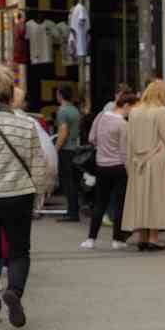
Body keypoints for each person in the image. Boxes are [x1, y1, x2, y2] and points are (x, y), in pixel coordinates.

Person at [0, 64, 47, 327]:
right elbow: (38, 164)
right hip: (19, 195)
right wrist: (39, 196)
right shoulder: (26, 125)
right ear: (11, 95)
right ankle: (15, 291)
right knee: (19, 251)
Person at [122, 80, 165, 251]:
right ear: (161, 94)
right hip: (157, 161)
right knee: (156, 198)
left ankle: (142, 237)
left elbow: (129, 139)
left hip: (137, 161)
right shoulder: (161, 111)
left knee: (141, 198)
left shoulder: (134, 112)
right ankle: (153, 238)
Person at [81, 92, 138, 250]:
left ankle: (91, 239)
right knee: (120, 205)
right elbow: (124, 151)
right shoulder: (123, 125)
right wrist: (130, 171)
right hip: (119, 167)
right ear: (126, 106)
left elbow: (92, 138)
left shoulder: (100, 116)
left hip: (101, 165)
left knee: (100, 202)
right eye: (132, 109)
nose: (132, 113)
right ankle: (117, 240)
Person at [54, 84, 82, 222]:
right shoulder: (75, 110)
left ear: (60, 94)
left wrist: (56, 149)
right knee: (74, 182)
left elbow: (63, 132)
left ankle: (72, 213)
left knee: (67, 182)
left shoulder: (62, 111)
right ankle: (74, 210)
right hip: (75, 149)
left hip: (66, 150)